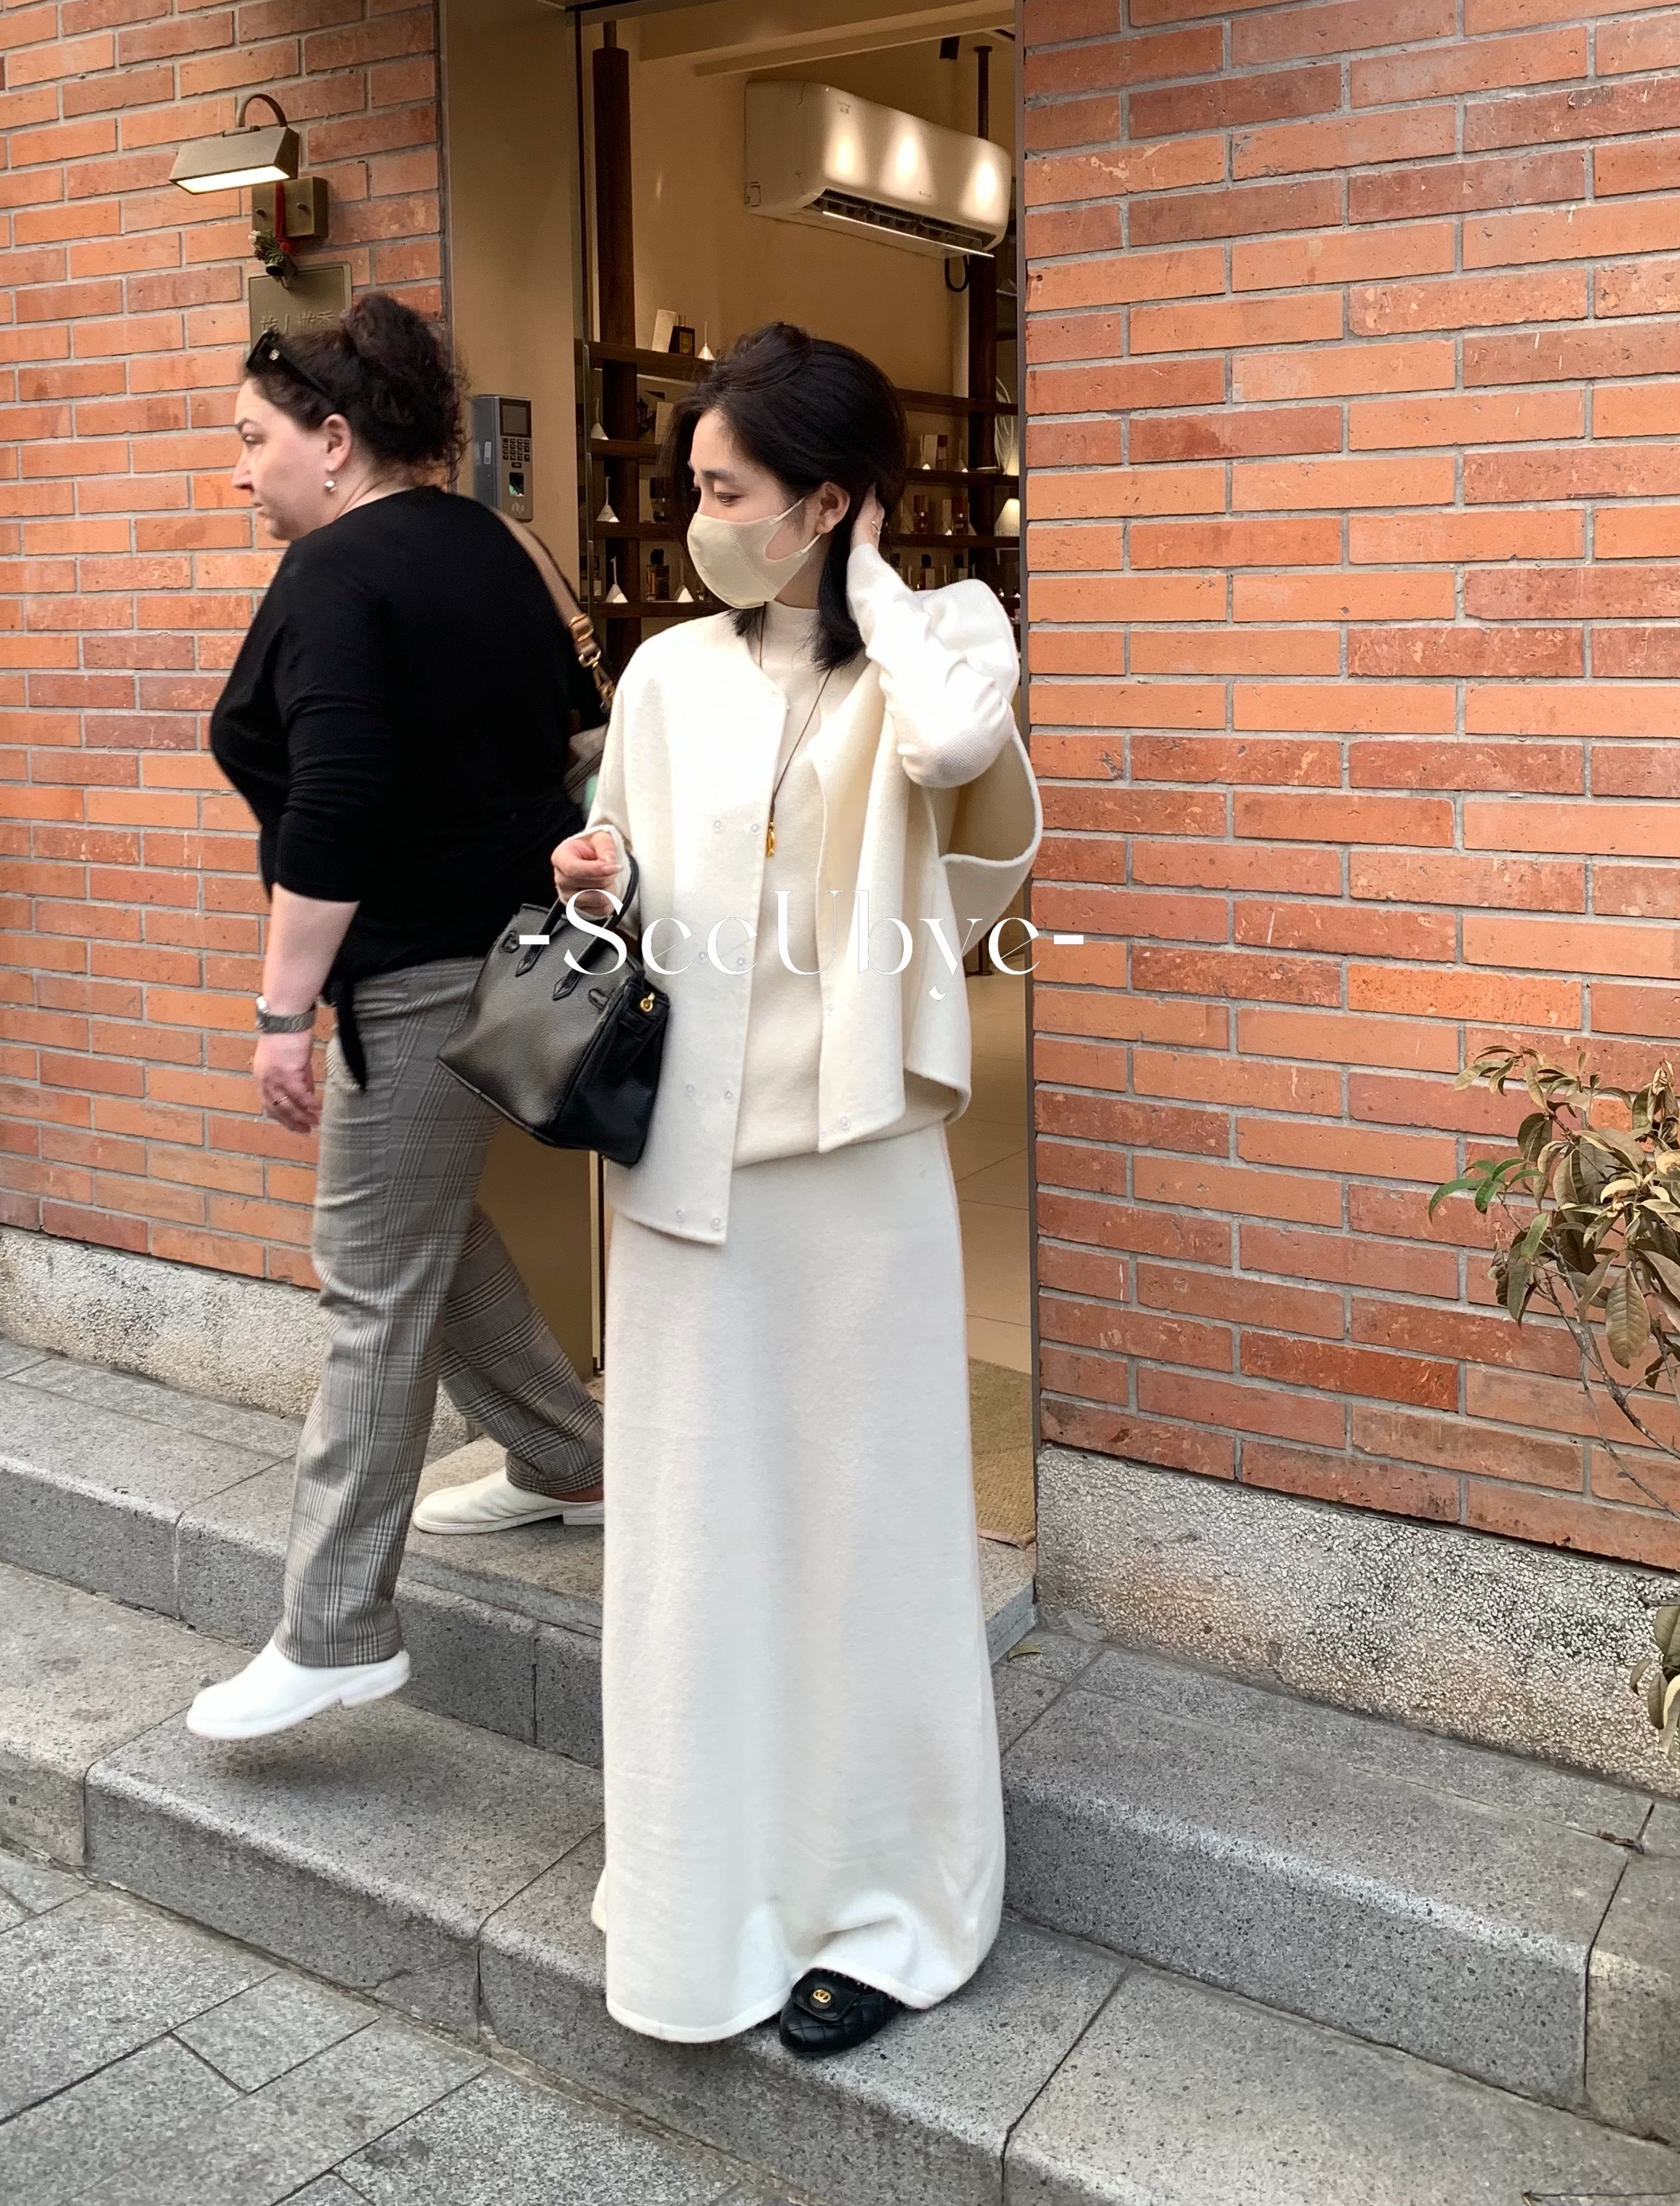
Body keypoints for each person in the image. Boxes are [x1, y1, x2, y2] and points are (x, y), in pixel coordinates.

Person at [547, 320, 1042, 2058]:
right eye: (691, 488)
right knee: (696, 1546)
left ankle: (886, 1906)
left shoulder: (939, 651)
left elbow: (977, 823)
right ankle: (707, 1892)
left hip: (856, 1179)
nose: (700, 519)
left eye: (729, 490)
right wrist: (596, 872)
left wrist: (889, 604)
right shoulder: (667, 674)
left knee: (865, 1537)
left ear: (827, 502)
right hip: (686, 1177)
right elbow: (634, 869)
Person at [187, 294, 608, 1743]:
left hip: (417, 975)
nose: (239, 472)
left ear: (334, 437)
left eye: (254, 440)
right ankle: (568, 1456)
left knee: (369, 1285)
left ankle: (335, 1630)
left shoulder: (335, 573)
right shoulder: (500, 545)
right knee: (421, 1227)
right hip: (526, 958)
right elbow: (573, 734)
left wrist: (280, 1010)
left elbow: (339, 808)